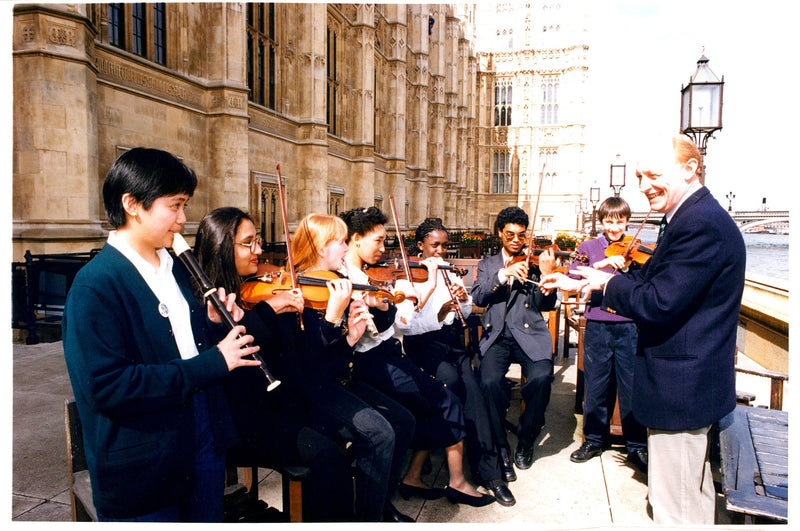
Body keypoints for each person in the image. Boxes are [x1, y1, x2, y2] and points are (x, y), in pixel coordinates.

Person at [541, 134, 746, 524]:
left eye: (653, 174)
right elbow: (649, 279)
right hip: (685, 386)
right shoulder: (690, 217)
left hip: (681, 390)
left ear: (690, 168)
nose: (644, 185)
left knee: (676, 511)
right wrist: (582, 279)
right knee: (688, 498)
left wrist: (606, 283)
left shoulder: (699, 224)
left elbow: (659, 301)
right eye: (639, 176)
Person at [62, 148, 261, 522]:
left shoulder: (177, 267)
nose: (183, 219)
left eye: (184, 206)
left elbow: (181, 345)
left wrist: (212, 324)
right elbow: (107, 387)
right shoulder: (95, 286)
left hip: (200, 439)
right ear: (132, 205)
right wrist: (214, 362)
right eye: (175, 206)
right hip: (142, 465)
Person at [193, 207, 355, 521]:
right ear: (222, 247)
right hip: (237, 420)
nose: (259, 250)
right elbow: (231, 360)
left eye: (258, 241)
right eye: (248, 243)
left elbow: (297, 358)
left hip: (275, 402)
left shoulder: (256, 289)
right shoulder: (207, 300)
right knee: (328, 456)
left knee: (339, 434)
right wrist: (268, 310)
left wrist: (330, 325)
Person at [339, 207, 495, 508]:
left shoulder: (371, 275)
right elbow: (398, 324)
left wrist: (413, 298)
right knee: (444, 401)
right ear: (355, 239)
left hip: (390, 353)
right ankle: (456, 482)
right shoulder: (352, 279)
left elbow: (398, 321)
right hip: (374, 360)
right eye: (378, 241)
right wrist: (423, 292)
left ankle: (412, 478)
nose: (384, 249)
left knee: (428, 407)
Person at [286, 212, 416, 522]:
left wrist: (352, 335)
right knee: (380, 433)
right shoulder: (295, 292)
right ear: (321, 247)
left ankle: (380, 503)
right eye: (341, 242)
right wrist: (332, 320)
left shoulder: (336, 282)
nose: (347, 249)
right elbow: (309, 366)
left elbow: (337, 357)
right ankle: (368, 519)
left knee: (404, 421)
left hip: (337, 378)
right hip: (310, 389)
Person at [403, 218, 516, 506]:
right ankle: (459, 476)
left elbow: (465, 310)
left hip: (451, 343)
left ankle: (491, 474)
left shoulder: (450, 272)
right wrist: (439, 311)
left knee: (474, 394)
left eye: (444, 245)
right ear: (420, 246)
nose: (441, 251)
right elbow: (408, 326)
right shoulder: (407, 276)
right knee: (451, 388)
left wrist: (463, 299)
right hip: (423, 346)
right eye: (434, 246)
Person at [470, 206, 558, 479]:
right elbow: (478, 297)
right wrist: (504, 275)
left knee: (541, 378)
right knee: (489, 383)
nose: (517, 240)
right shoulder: (488, 265)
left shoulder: (535, 264)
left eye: (521, 235)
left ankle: (526, 439)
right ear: (500, 233)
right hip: (497, 335)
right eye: (510, 234)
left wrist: (547, 277)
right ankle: (500, 448)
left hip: (529, 334)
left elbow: (547, 304)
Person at [566, 197, 648, 472]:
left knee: (631, 387)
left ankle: (636, 445)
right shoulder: (588, 248)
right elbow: (572, 276)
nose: (615, 228)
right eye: (609, 222)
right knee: (596, 386)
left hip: (629, 325)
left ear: (627, 222)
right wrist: (602, 264)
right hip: (598, 324)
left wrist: (626, 268)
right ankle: (593, 440)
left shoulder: (636, 250)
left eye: (620, 222)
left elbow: (647, 284)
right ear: (601, 222)